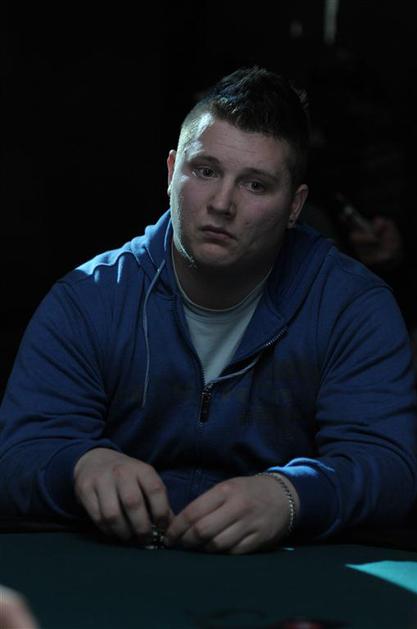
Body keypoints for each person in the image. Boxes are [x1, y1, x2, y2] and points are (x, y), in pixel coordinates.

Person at [0, 66, 416, 554]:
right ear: (171, 172)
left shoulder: (351, 307)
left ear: (294, 206)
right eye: (205, 171)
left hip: (285, 576)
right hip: (118, 572)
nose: (222, 203)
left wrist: (291, 496)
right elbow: (18, 456)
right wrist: (80, 466)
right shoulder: (89, 298)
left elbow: (390, 467)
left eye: (255, 185)